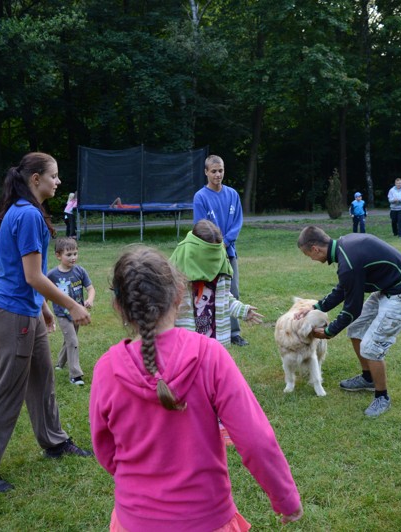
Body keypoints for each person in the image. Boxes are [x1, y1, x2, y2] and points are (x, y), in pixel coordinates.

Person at [90, 246, 303, 531]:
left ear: (120, 307)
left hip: (134, 520)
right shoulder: (210, 355)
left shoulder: (107, 368)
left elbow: (104, 449)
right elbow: (255, 439)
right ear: (180, 295)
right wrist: (285, 498)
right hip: (207, 519)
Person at [0, 152, 93, 493]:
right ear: (36, 179)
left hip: (26, 310)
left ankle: (54, 441)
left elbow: (24, 275)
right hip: (13, 313)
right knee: (7, 390)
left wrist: (43, 309)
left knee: (41, 379)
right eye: (54, 176)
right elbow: (34, 276)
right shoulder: (29, 215)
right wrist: (70, 307)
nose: (58, 182)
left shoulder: (22, 211)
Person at [295, 225, 401, 417]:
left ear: (315, 249)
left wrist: (329, 332)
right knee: (356, 329)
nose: (312, 260)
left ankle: (382, 397)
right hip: (387, 288)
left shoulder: (348, 262)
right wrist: (316, 308)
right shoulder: (345, 246)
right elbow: (344, 289)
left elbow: (352, 309)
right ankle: (368, 378)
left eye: (309, 256)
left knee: (371, 347)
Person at [169, 219, 263, 346]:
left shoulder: (220, 269)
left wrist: (242, 310)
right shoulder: (178, 272)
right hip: (186, 345)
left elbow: (224, 298)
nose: (213, 262)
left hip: (213, 344)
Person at [193, 154, 247, 346]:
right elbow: (200, 226)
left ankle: (234, 333)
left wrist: (226, 243)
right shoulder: (200, 197)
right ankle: (208, 333)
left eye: (221, 170)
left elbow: (237, 223)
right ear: (206, 172)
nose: (218, 175)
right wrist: (216, 245)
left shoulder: (232, 194)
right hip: (209, 254)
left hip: (229, 253)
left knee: (233, 292)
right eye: (214, 171)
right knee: (207, 295)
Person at [47, 237, 95, 386]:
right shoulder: (52, 275)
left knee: (69, 340)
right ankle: (75, 375)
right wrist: (45, 311)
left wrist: (90, 300)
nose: (73, 257)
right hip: (62, 314)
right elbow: (44, 294)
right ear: (58, 255)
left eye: (75, 253)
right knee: (73, 341)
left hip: (77, 315)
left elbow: (90, 288)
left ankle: (60, 364)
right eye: (69, 255)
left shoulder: (80, 271)